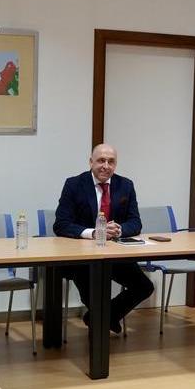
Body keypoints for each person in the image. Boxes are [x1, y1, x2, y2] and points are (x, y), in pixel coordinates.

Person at [53, 143, 154, 335]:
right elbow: (61, 224)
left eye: (111, 162)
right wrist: (95, 232)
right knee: (94, 291)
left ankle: (101, 317)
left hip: (115, 255)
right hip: (82, 258)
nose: (105, 166)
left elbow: (135, 222)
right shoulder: (74, 185)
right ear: (91, 162)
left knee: (144, 287)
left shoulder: (126, 185)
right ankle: (103, 322)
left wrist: (118, 230)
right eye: (101, 160)